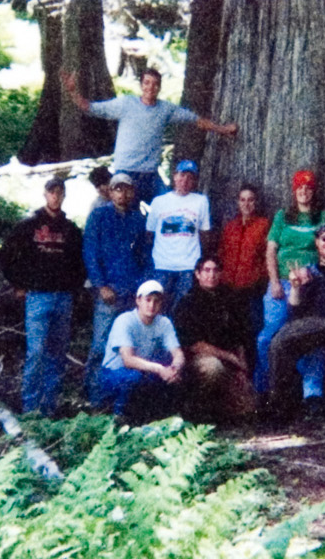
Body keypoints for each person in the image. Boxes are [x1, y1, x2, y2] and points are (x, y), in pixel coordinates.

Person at [62, 66, 237, 203]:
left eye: (154, 84)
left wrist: (223, 130)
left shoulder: (165, 109)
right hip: (125, 171)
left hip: (150, 175)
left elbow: (196, 120)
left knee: (168, 205)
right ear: (141, 85)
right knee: (125, 213)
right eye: (146, 83)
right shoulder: (126, 104)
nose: (150, 87)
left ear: (159, 87)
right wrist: (72, 91)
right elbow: (90, 107)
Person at [0, 177, 85, 417]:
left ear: (64, 196)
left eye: (60, 192)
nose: (55, 196)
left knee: (57, 353)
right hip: (37, 297)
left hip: (63, 298)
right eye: (51, 192)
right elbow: (7, 255)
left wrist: (74, 288)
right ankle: (30, 409)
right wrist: (18, 284)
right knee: (36, 352)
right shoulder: (28, 226)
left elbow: (81, 263)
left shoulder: (71, 230)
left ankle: (50, 408)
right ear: (45, 194)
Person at [267, 225, 325, 422]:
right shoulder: (308, 273)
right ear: (317, 243)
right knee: (279, 340)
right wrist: (295, 288)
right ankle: (279, 406)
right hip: (316, 324)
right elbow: (295, 312)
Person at [255, 170, 325, 392]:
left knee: (308, 337)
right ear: (294, 191)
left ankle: (308, 391)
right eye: (300, 188)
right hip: (281, 284)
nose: (304, 192)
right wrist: (275, 282)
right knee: (267, 338)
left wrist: (310, 274)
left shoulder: (323, 217)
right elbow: (271, 251)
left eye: (308, 188)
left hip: (310, 286)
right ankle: (269, 390)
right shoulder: (283, 216)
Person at [83, 172, 150, 403]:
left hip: (131, 292)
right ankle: (94, 397)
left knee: (129, 345)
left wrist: (140, 288)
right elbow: (90, 253)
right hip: (108, 291)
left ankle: (123, 397)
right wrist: (100, 285)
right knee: (101, 343)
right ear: (110, 192)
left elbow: (144, 256)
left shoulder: (138, 220)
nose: (123, 193)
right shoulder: (99, 216)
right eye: (118, 189)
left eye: (127, 189)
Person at [174, 256, 258, 422]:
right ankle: (197, 411)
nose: (211, 275)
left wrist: (242, 367)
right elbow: (194, 345)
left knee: (249, 408)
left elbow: (239, 337)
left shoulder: (229, 300)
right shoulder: (187, 303)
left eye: (215, 271)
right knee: (213, 367)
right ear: (197, 274)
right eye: (206, 270)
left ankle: (221, 410)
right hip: (198, 362)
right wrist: (231, 358)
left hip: (228, 360)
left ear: (220, 273)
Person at [97, 279, 185, 422]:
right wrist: (160, 369)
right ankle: (117, 417)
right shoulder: (124, 320)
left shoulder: (164, 322)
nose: (151, 305)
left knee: (176, 376)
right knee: (134, 378)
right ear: (138, 301)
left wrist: (175, 368)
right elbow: (128, 360)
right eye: (148, 300)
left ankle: (159, 418)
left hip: (143, 370)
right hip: (114, 372)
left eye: (156, 301)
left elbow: (177, 352)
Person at [145, 159, 213, 313]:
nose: (185, 180)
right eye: (182, 175)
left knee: (182, 307)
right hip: (162, 264)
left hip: (189, 265)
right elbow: (149, 234)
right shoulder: (159, 202)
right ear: (174, 176)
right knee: (157, 307)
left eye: (190, 177)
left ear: (195, 180)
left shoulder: (201, 201)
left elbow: (204, 233)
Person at [219, 182, 271, 341]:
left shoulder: (263, 225)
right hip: (230, 288)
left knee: (253, 329)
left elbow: (267, 254)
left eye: (250, 200)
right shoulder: (230, 226)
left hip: (252, 289)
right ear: (238, 202)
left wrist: (258, 276)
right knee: (230, 329)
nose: (246, 204)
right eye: (242, 200)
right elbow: (222, 252)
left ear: (256, 202)